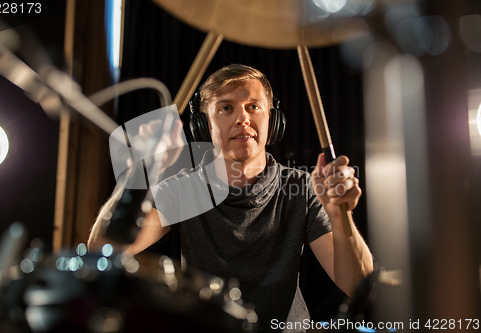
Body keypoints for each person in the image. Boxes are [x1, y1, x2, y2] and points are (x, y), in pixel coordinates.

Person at [88, 64, 373, 332]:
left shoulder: (301, 187)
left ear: (273, 121)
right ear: (203, 127)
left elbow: (358, 284)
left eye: (253, 106)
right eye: (225, 108)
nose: (242, 119)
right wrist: (140, 173)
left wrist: (340, 215)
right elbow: (103, 250)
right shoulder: (184, 190)